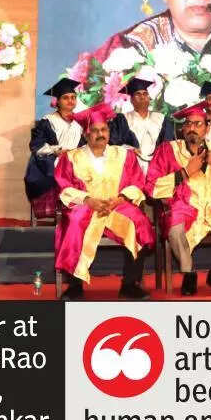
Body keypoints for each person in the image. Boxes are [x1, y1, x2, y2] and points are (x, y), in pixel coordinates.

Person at [145, 101, 211, 296]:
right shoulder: (168, 150)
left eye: (198, 124)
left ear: (207, 128)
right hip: (183, 206)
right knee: (174, 228)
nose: (192, 128)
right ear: (182, 129)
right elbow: (151, 186)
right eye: (188, 124)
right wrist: (185, 172)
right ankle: (189, 273)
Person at [53, 103, 154, 301]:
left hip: (117, 204)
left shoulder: (124, 155)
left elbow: (136, 182)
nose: (100, 134)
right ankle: (74, 287)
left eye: (104, 129)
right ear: (86, 134)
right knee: (74, 222)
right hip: (85, 206)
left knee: (138, 221)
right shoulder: (71, 157)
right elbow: (63, 187)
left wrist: (120, 198)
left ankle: (130, 284)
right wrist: (88, 200)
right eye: (95, 131)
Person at [25, 78, 85, 202]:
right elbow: (36, 146)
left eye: (73, 97)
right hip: (54, 166)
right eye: (65, 98)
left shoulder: (81, 122)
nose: (70, 101)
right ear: (57, 101)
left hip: (78, 165)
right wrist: (56, 150)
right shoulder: (48, 121)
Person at [120, 77, 173, 175]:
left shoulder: (162, 119)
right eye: (138, 94)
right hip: (131, 169)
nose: (142, 97)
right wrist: (130, 150)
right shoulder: (122, 120)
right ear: (131, 100)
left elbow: (168, 145)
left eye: (145, 94)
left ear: (149, 98)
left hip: (158, 169)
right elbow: (114, 145)